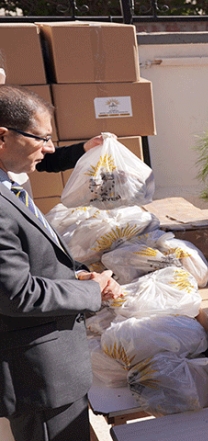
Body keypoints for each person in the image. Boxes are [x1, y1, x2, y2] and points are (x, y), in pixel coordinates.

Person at [0, 85, 123, 441]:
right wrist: (88, 291)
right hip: (38, 379)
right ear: (3, 137)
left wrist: (77, 275)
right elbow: (17, 293)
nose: (50, 149)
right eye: (41, 138)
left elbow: (30, 265)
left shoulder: (12, 186)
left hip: (52, 372)